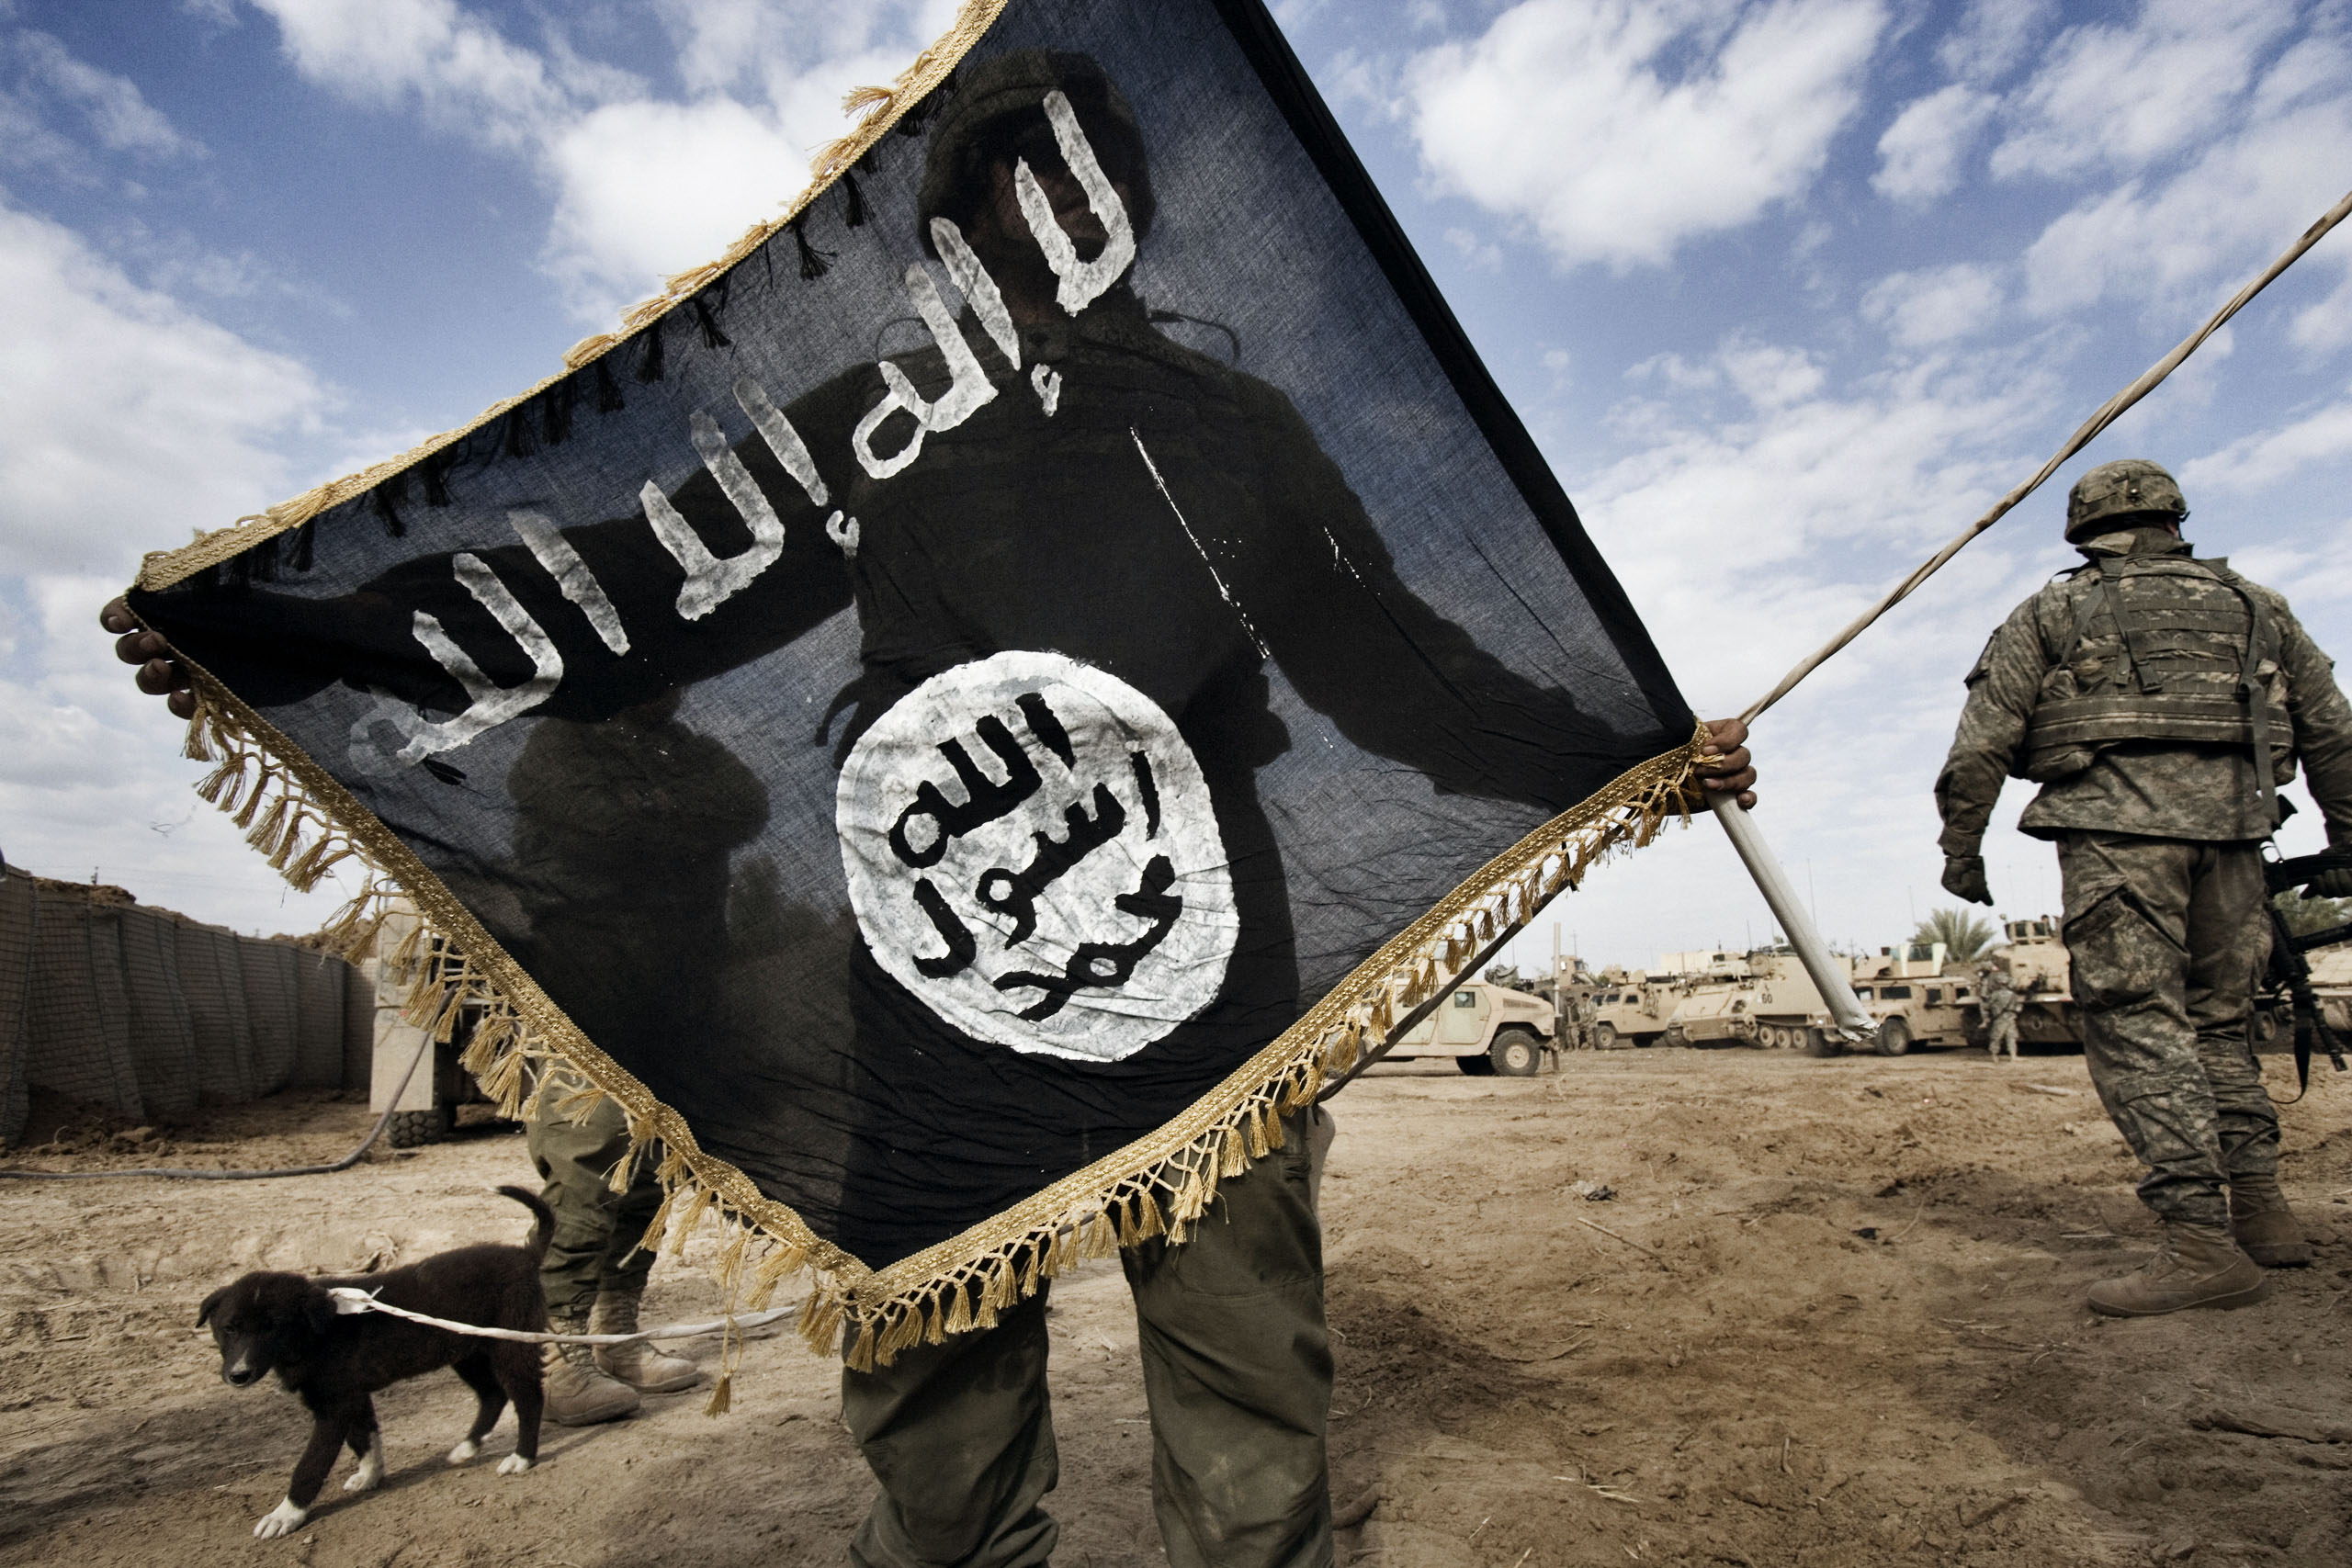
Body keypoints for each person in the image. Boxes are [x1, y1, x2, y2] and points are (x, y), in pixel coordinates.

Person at [103, 48, 1759, 1568]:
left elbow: (1394, 667)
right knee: (936, 1419)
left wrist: (1623, 748)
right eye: (1000, 176)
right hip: (934, 988)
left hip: (1207, 978)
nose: (1043, 208)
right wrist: (299, 632)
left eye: (1078, 171)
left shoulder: (1232, 430)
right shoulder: (875, 433)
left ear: (1127, 204)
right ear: (952, 220)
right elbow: (624, 600)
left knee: (1251, 1385)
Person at [1935, 457, 2352, 1316]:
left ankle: (2200, 1245)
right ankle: (2263, 1213)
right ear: (2174, 522)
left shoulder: (2054, 609)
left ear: (2083, 532)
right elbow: (2332, 732)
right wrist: (2347, 841)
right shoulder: (2257, 606)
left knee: (2138, 1022)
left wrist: (1961, 847)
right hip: (2236, 840)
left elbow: (1983, 740)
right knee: (2220, 1025)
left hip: (2118, 843)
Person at [1977, 962, 2020, 1062]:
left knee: (1997, 1037)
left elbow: (1986, 1003)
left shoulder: (1995, 994)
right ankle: (2013, 1056)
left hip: (2000, 1018)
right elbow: (2017, 1006)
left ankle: (1995, 1056)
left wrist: (1988, 1015)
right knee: (2011, 1037)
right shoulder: (2012, 994)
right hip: (2010, 1018)